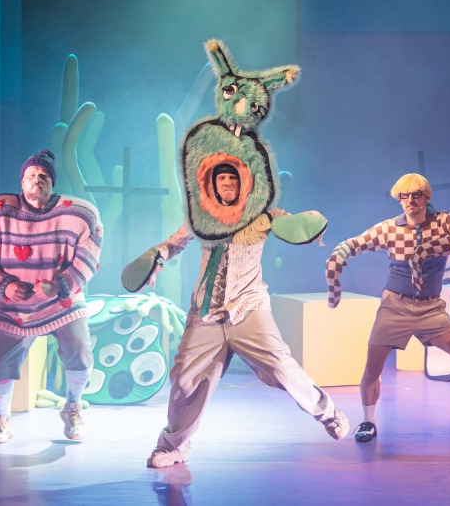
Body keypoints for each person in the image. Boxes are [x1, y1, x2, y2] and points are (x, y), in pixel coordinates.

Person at [130, 162, 349, 468]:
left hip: (248, 307)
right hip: (206, 313)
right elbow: (174, 243)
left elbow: (293, 227)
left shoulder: (265, 216)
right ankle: (174, 447)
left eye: (233, 178)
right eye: (221, 178)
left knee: (281, 368)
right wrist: (156, 258)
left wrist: (312, 228)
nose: (227, 183)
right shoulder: (202, 218)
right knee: (184, 380)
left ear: (244, 183)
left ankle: (329, 414)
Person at [325, 173, 450, 443]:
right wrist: (339, 254)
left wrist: (429, 248)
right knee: (373, 367)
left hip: (431, 308)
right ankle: (368, 421)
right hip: (395, 307)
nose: (410, 201)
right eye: (404, 196)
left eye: (416, 195)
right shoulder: (389, 228)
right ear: (399, 199)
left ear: (426, 197)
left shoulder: (443, 221)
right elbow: (355, 243)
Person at [0, 149, 103, 444]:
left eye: (43, 176)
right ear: (22, 181)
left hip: (62, 302)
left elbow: (89, 254)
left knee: (80, 352)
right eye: (31, 175)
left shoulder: (77, 214)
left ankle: (73, 408)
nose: (37, 180)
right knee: (0, 363)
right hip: (14, 305)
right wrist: (2, 285)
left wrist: (62, 284)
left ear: (52, 183)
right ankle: (1, 419)